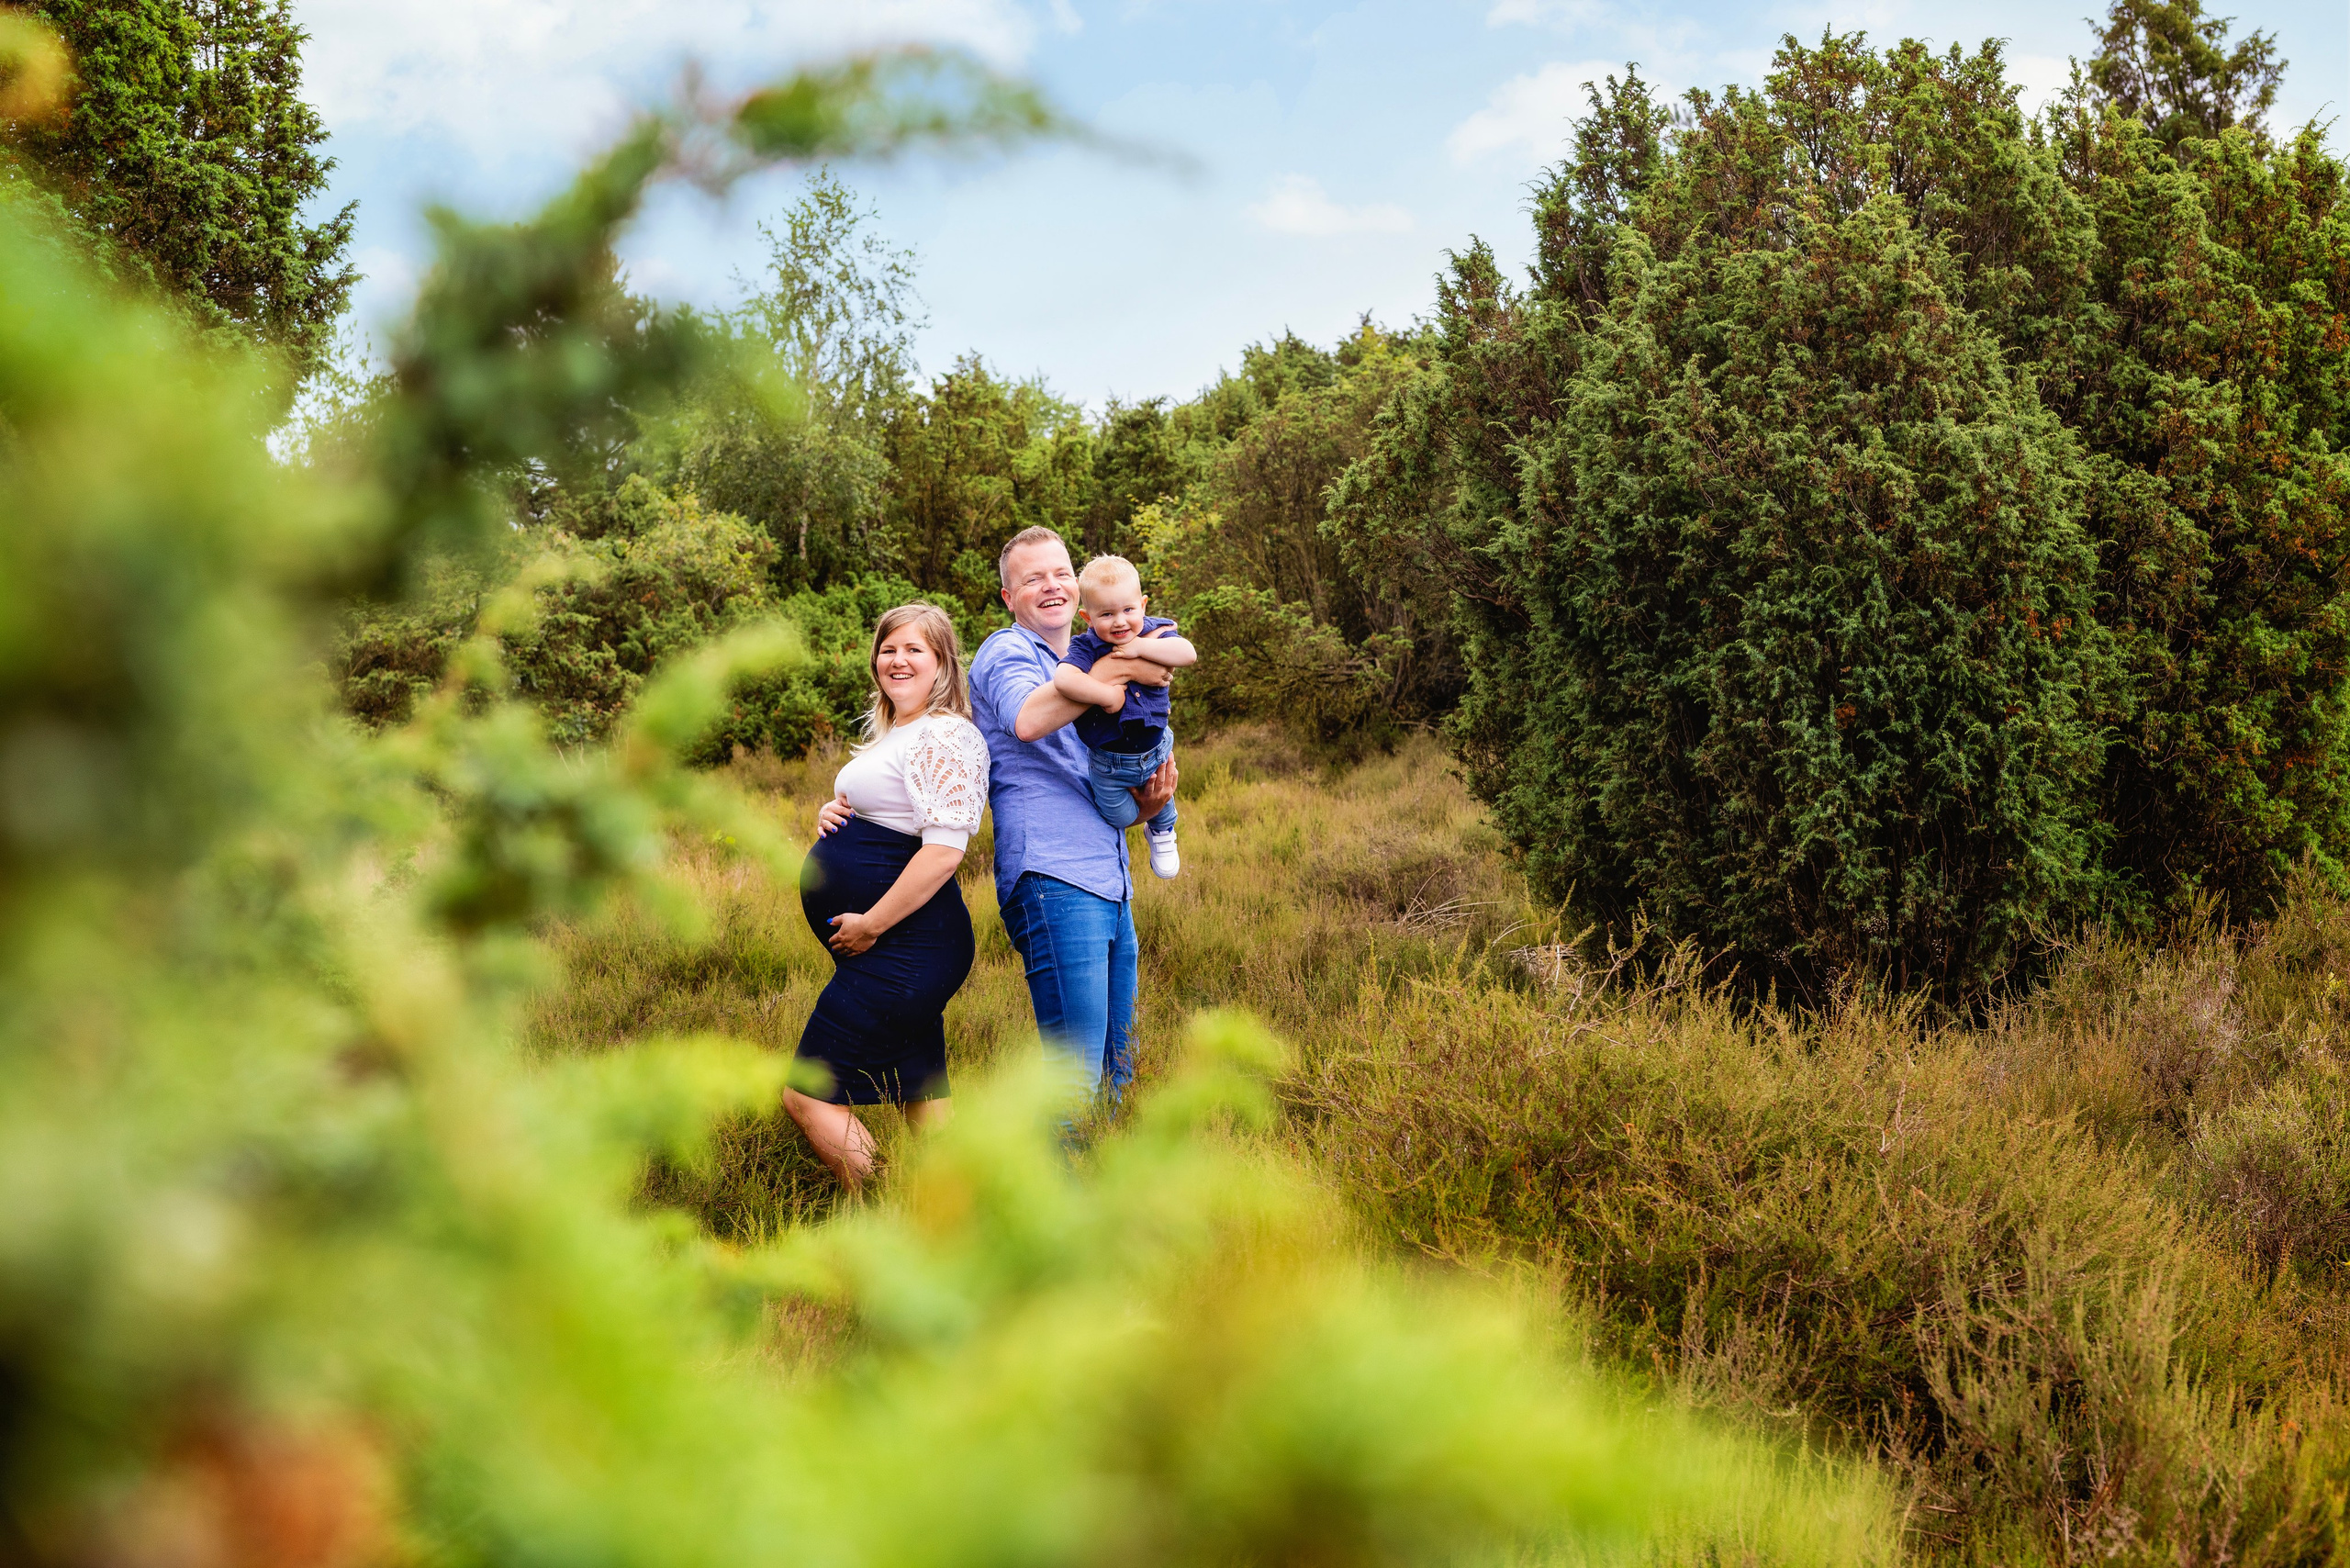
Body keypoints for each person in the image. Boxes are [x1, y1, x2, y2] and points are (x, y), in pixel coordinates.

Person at [968, 526, 1179, 1097]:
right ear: (1010, 598)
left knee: (1118, 1073)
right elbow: (1028, 721)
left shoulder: (1097, 649)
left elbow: (1101, 790)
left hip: (1110, 880)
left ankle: (1108, 1184)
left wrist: (1148, 809)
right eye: (1032, 579)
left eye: (1061, 573)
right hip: (1052, 876)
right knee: (1075, 1083)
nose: (1051, 586)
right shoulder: (1007, 651)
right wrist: (1124, 669)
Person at [791, 602, 990, 1190]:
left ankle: (884, 1208)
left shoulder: (944, 733)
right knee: (921, 1092)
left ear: (942, 663)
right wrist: (838, 815)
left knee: (808, 1096)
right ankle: (953, 1215)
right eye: (888, 649)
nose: (897, 660)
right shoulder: (900, 733)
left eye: (914, 650)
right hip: (898, 948)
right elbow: (892, 814)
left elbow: (944, 850)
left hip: (903, 947)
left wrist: (871, 924)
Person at [1052, 554, 1195, 879]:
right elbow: (1064, 679)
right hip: (1108, 763)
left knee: (1163, 798)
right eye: (1107, 614)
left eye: (1128, 610)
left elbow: (1187, 654)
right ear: (1087, 618)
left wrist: (1140, 650)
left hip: (1155, 749)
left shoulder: (1153, 633)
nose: (1120, 621)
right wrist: (1106, 694)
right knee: (1117, 816)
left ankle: (1162, 831)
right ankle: (1144, 823)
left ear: (1143, 605)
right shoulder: (1086, 647)